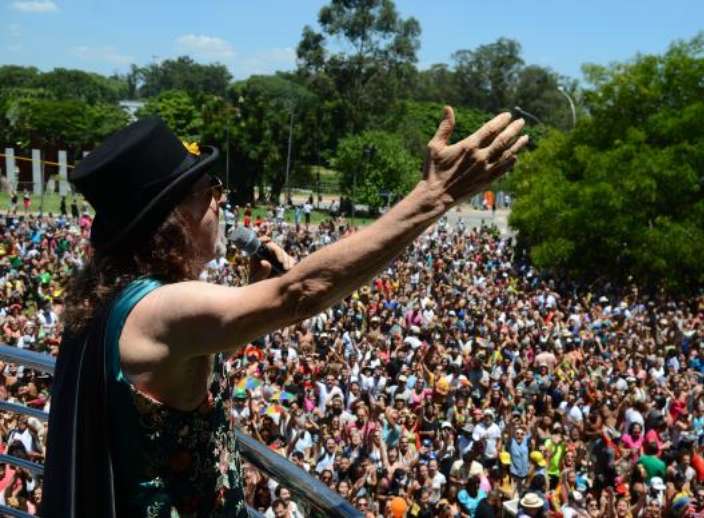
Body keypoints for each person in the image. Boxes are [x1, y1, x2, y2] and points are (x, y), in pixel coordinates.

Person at [41, 110, 529, 517]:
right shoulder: (164, 307)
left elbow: (184, 362)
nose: (221, 200)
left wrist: (253, 292)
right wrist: (435, 196)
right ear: (174, 215)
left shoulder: (118, 299)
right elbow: (303, 289)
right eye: (210, 188)